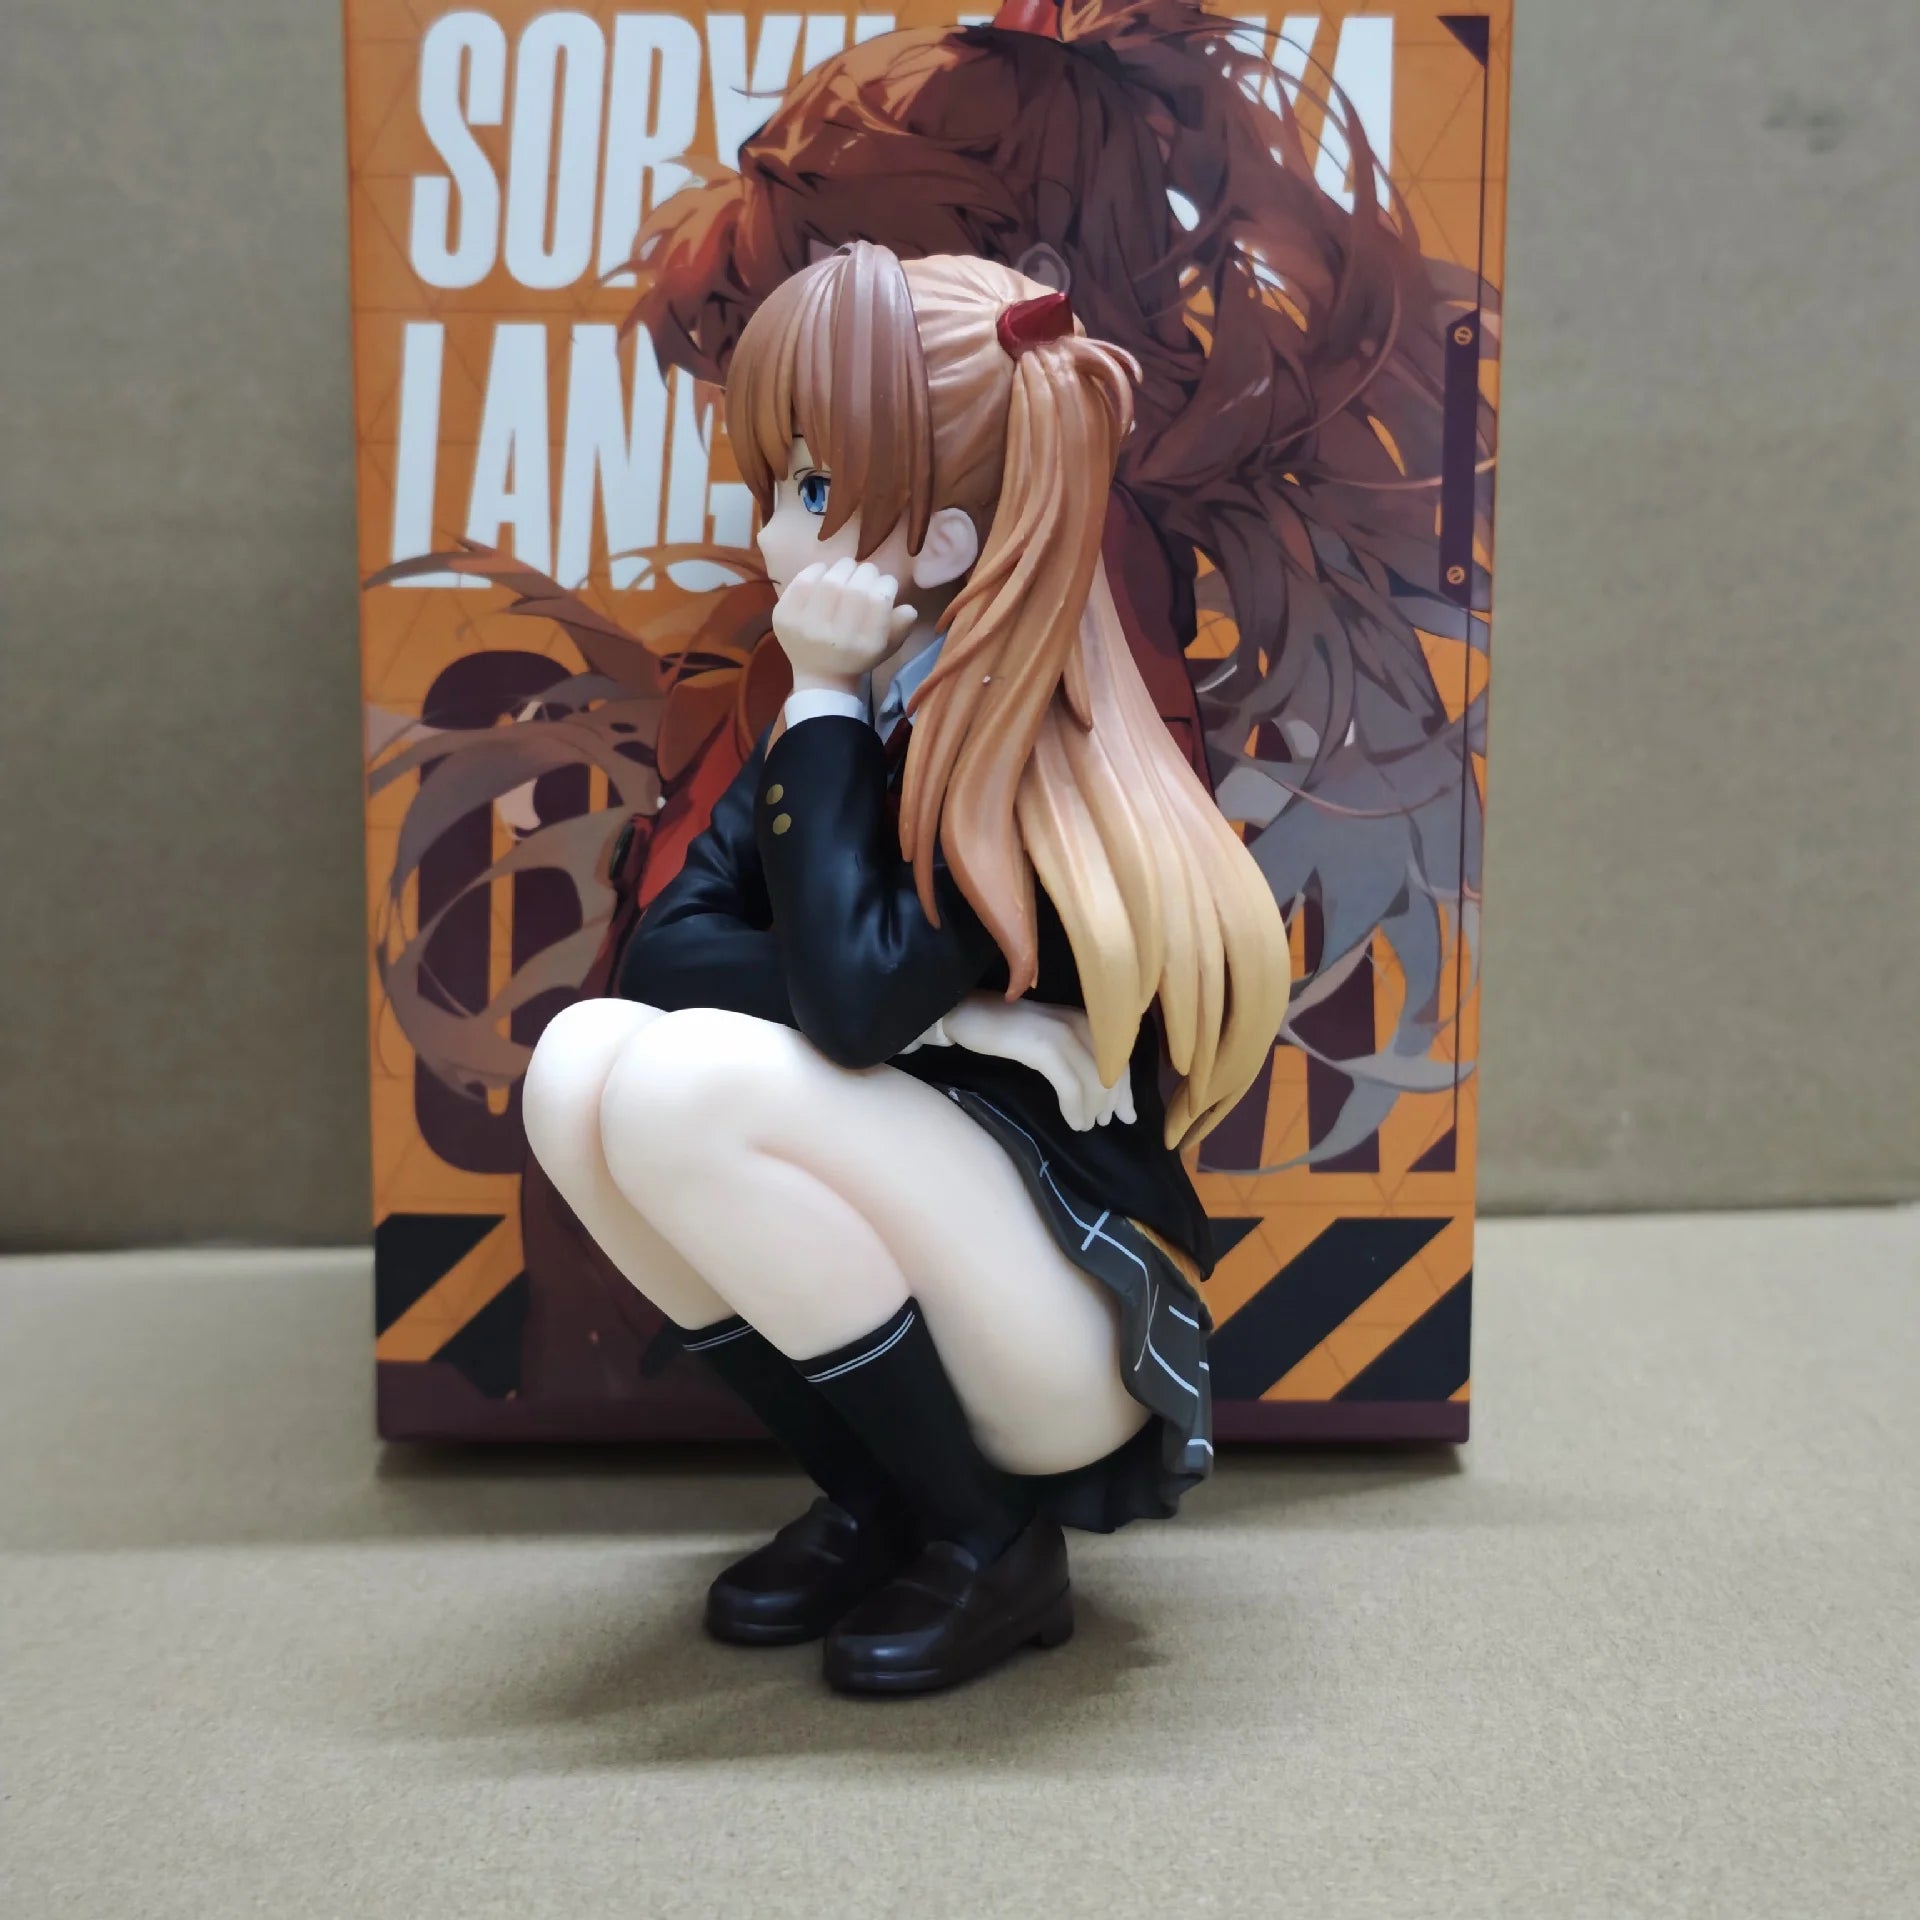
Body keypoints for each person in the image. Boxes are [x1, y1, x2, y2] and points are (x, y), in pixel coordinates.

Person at [522, 244, 1292, 1694]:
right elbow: (666, 955)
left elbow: (851, 999)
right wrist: (967, 1031)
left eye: (807, 491)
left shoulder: (1025, 756)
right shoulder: (848, 722)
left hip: (1066, 1317)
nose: (769, 534)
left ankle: (992, 1540)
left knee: (681, 1092)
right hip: (950, 1266)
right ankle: (879, 1499)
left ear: (934, 544)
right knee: (579, 1071)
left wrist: (821, 705)